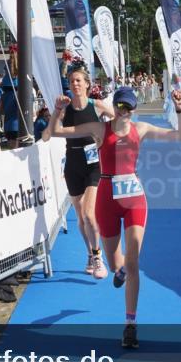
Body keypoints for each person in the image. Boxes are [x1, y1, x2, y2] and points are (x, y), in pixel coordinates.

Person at [48, 86, 181, 349]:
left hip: (134, 199)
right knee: (116, 265)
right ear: (114, 107)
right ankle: (121, 269)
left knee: (133, 261)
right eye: (120, 107)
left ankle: (130, 325)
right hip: (107, 200)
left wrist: (180, 108)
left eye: (129, 108)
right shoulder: (100, 129)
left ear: (134, 109)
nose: (124, 112)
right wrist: (58, 111)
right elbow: (56, 131)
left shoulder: (141, 129)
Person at [40, 65, 114, 280]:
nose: (75, 84)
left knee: (90, 214)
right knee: (81, 217)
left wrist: (107, 138)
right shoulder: (64, 109)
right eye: (72, 81)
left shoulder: (97, 106)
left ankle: (98, 256)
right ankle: (90, 253)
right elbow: (46, 136)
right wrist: (56, 110)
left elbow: (120, 121)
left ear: (87, 84)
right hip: (73, 165)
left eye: (79, 80)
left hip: (94, 165)